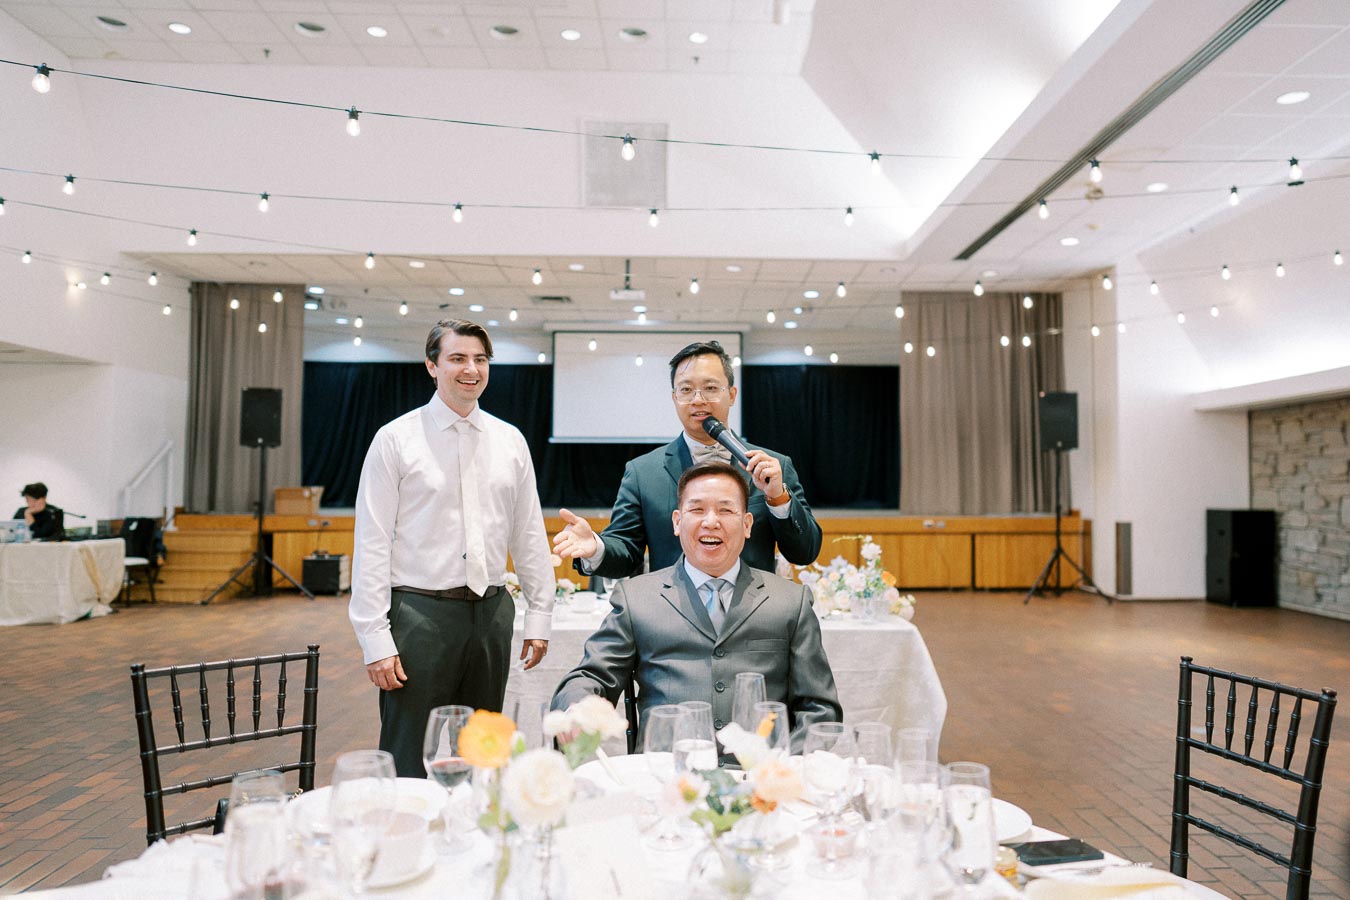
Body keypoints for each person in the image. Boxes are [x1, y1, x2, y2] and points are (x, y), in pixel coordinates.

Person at [348, 319, 556, 777]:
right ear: (432, 366)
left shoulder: (510, 440)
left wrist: (539, 614)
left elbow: (528, 533)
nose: (471, 369)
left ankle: (478, 842)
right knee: (407, 756)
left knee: (486, 754)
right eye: (458, 358)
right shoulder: (396, 439)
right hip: (420, 616)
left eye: (480, 359)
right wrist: (374, 637)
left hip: (492, 614)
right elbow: (372, 541)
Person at [551, 461, 840, 750]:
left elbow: (819, 708)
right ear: (677, 522)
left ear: (747, 524)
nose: (711, 522)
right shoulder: (637, 598)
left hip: (759, 779)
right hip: (665, 777)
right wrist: (575, 710)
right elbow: (591, 675)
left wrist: (785, 773)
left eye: (726, 510)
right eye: (697, 509)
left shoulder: (790, 601)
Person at [553, 340, 822, 578]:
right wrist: (595, 548)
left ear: (731, 395)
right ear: (674, 398)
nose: (698, 399)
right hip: (672, 622)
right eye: (686, 390)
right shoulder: (644, 472)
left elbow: (805, 552)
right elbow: (626, 553)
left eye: (710, 388)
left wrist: (778, 498)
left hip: (752, 621)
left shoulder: (773, 467)